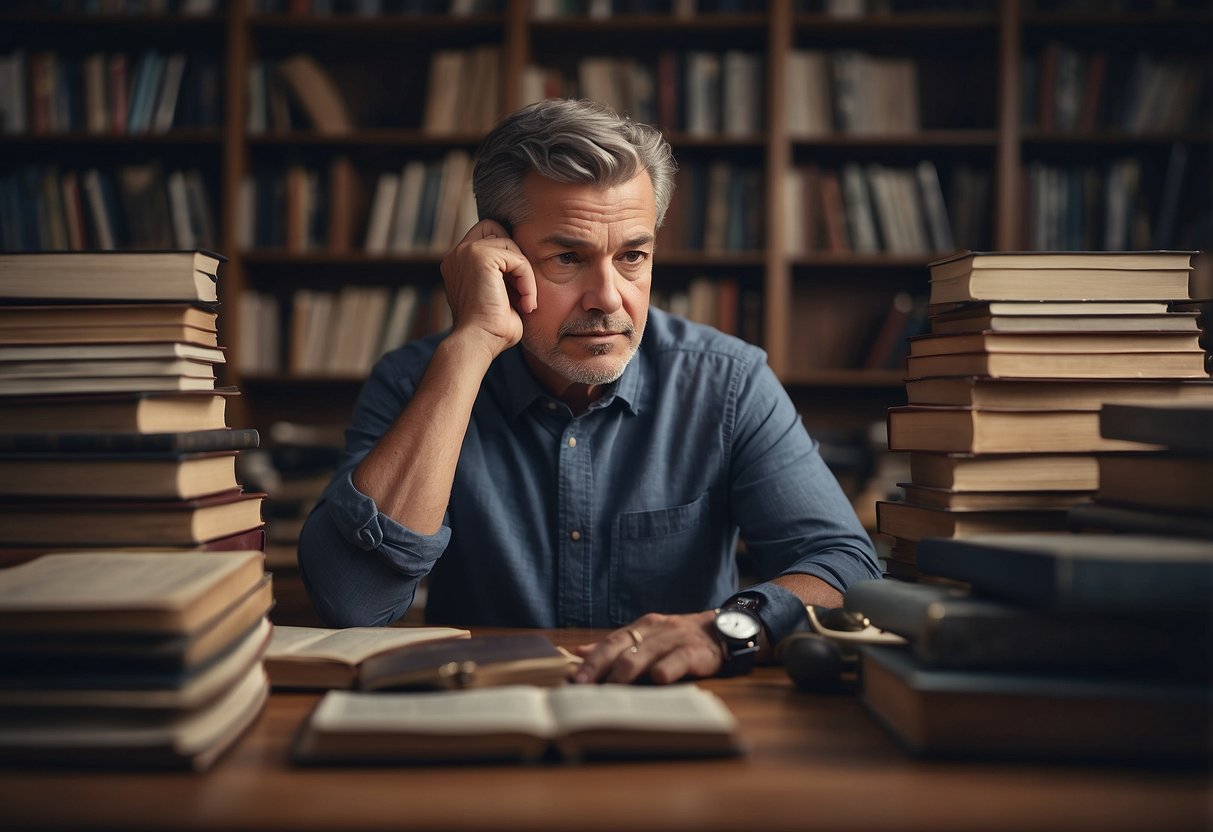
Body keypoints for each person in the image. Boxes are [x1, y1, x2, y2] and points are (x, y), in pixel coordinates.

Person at [297, 98, 880, 684]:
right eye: (568, 258)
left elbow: (846, 566)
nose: (608, 297)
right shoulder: (414, 382)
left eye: (632, 256)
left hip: (678, 711)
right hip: (486, 721)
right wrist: (471, 343)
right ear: (497, 256)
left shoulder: (727, 381)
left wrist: (725, 628)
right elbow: (354, 604)